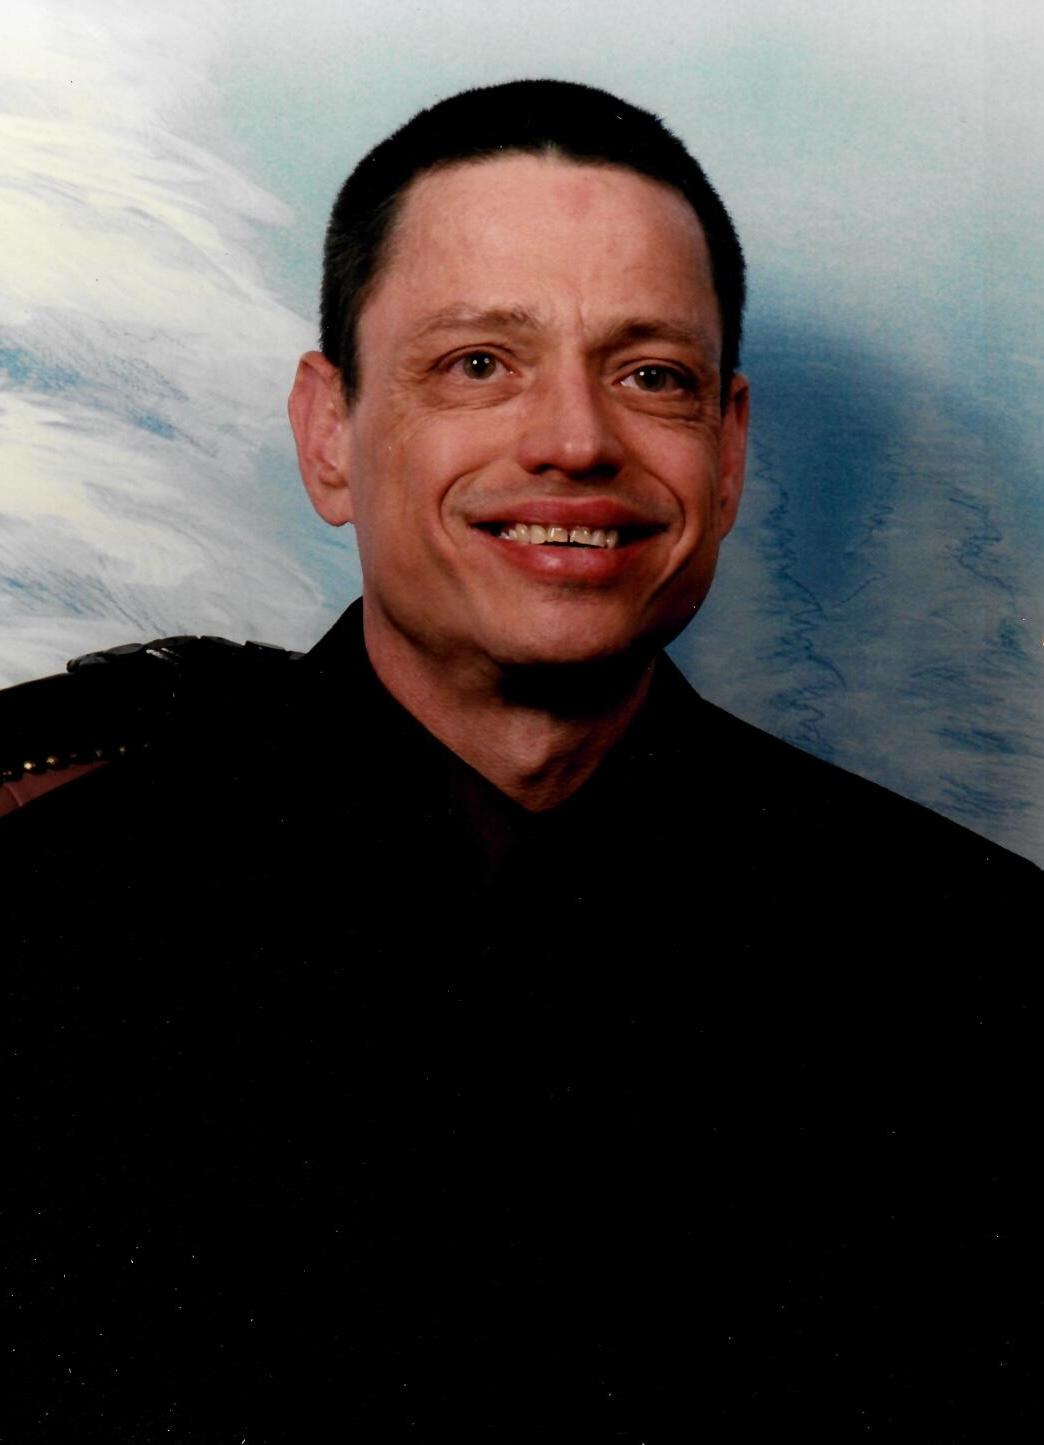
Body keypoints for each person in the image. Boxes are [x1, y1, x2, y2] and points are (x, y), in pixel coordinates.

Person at [3, 80, 1039, 1441]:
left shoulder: (978, 968)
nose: (574, 441)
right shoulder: (40, 933)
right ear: (328, 434)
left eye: (650, 375)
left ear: (728, 456)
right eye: (478, 364)